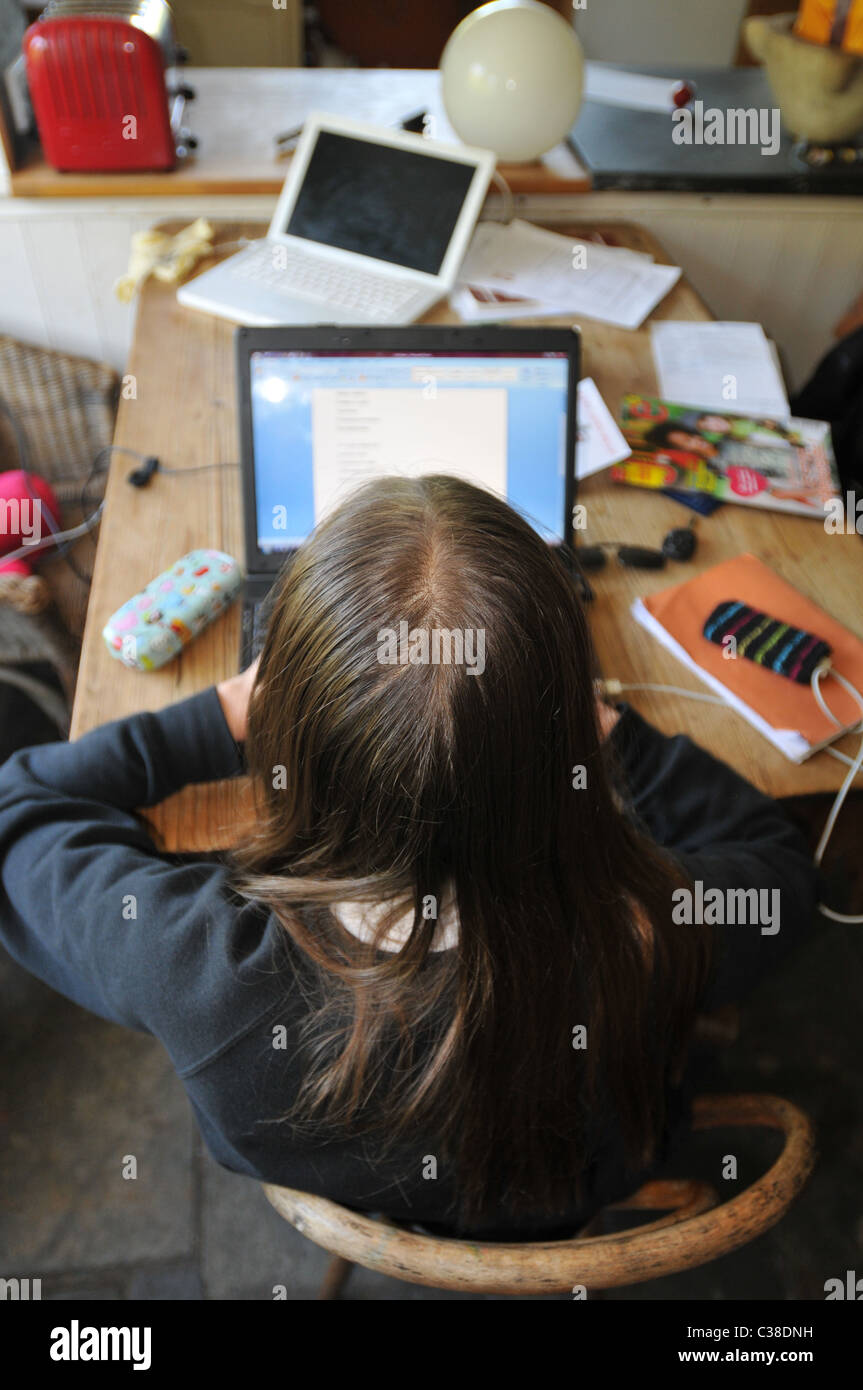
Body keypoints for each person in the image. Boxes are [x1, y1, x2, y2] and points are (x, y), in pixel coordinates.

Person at [0, 476, 816, 1238]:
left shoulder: (186, 961)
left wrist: (220, 712)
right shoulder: (649, 921)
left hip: (351, 1205)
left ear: (289, 742)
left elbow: (19, 807)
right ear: (561, 744)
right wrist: (610, 734)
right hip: (588, 1185)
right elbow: (780, 870)